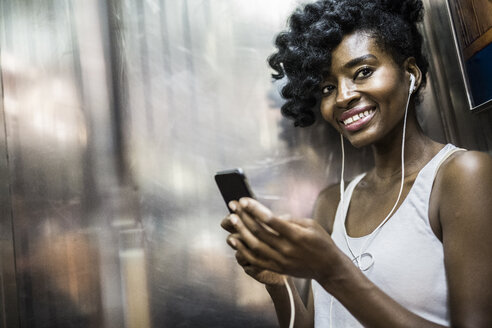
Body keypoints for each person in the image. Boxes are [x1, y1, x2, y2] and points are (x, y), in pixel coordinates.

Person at [221, 0, 492, 327]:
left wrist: (332, 270)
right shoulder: (332, 203)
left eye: (363, 72)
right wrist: (278, 281)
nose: (343, 96)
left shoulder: (461, 176)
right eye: (327, 87)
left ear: (411, 74)